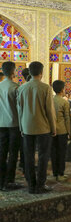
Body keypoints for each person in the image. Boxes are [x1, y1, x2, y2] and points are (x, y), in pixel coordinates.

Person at [16, 62, 57, 194]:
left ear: (30, 72)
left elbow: (20, 111)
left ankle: (31, 185)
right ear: (41, 72)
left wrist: (21, 127)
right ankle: (40, 184)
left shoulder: (22, 88)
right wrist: (53, 127)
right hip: (43, 127)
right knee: (43, 157)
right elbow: (50, 111)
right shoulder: (46, 88)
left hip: (27, 127)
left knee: (28, 156)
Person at [0, 62, 22, 191]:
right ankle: (9, 180)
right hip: (13, 124)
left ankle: (1, 180)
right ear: (14, 72)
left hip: (0, 125)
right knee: (13, 153)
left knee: (2, 152)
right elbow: (20, 108)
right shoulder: (16, 87)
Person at [51, 80, 71, 182]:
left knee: (53, 152)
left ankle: (54, 172)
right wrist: (69, 132)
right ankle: (60, 173)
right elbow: (67, 118)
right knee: (62, 152)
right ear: (62, 89)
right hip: (62, 130)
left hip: (51, 130)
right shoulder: (64, 102)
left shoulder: (50, 100)